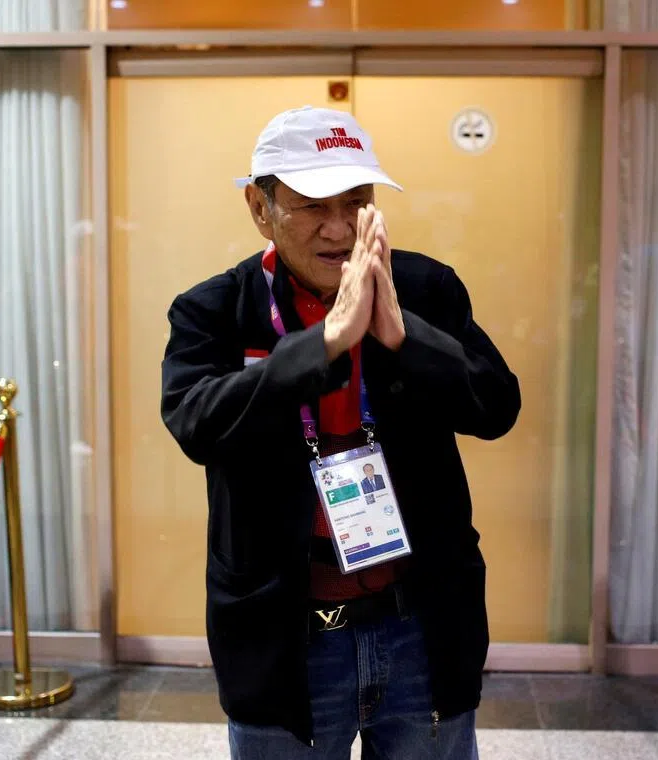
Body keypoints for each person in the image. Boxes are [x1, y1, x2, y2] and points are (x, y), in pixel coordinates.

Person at [160, 105, 521, 759]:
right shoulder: (214, 310)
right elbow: (196, 422)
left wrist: (404, 337)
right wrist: (323, 344)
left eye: (356, 202)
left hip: (420, 627)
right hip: (286, 638)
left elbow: (497, 408)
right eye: (311, 206)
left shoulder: (423, 289)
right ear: (260, 207)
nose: (338, 228)